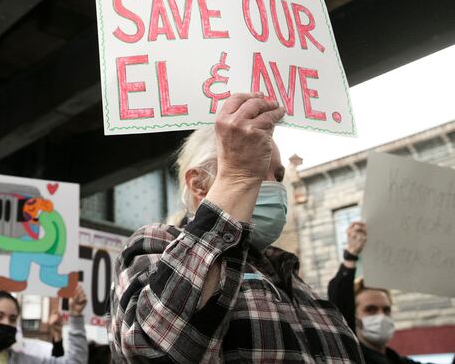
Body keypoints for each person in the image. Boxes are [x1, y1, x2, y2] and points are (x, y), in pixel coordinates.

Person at [110, 93, 364, 362]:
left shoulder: (296, 284)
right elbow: (154, 349)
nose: (274, 185)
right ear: (198, 185)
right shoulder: (157, 243)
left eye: (278, 175)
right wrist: (238, 176)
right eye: (255, 167)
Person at [328, 221, 426, 364]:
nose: (381, 316)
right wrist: (351, 254)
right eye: (370, 309)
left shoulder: (401, 362)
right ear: (354, 316)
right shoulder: (351, 358)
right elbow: (340, 299)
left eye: (386, 310)